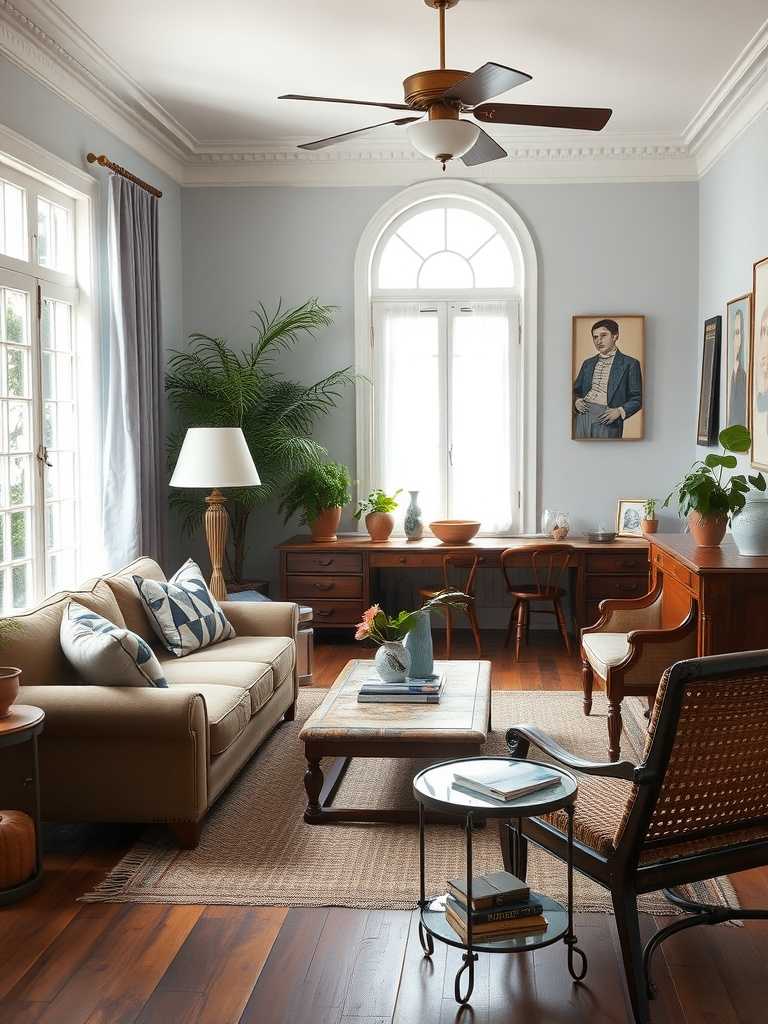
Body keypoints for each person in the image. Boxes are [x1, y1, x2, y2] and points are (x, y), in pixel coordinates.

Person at [573, 319, 643, 439]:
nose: (598, 341)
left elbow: (637, 398)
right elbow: (575, 391)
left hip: (607, 418)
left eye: (603, 335)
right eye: (595, 337)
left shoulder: (630, 363)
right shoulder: (588, 363)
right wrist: (576, 401)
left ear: (615, 336)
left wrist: (619, 411)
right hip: (582, 416)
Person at [728, 307, 747, 427]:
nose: (736, 338)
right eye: (734, 333)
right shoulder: (731, 373)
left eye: (738, 333)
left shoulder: (743, 375)